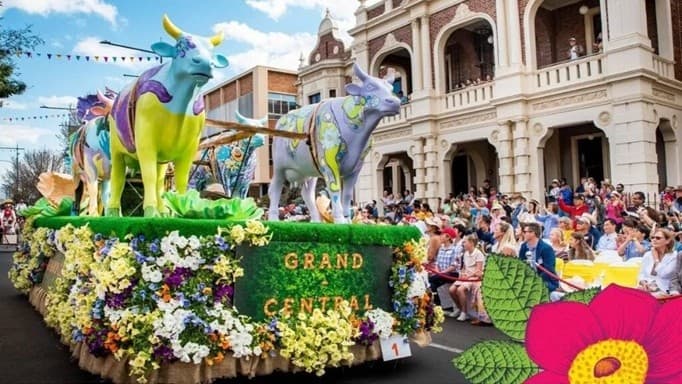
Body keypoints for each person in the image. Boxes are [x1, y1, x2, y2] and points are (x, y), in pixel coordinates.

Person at [449, 234, 486, 323]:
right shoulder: (465, 254)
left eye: (465, 242)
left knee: (460, 290)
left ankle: (464, 312)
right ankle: (459, 308)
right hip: (466, 277)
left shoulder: (478, 254)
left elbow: (478, 271)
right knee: (451, 289)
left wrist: (468, 276)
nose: (463, 244)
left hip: (473, 278)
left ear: (471, 243)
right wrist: (462, 273)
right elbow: (465, 267)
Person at [519, 222, 558, 291]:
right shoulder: (524, 246)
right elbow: (520, 264)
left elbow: (548, 270)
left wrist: (534, 280)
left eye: (525, 232)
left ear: (533, 233)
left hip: (545, 281)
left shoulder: (546, 248)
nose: (523, 234)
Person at [638, 228, 677, 296]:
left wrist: (656, 259)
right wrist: (643, 282)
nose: (654, 240)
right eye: (652, 237)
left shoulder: (674, 256)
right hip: (647, 287)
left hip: (664, 289)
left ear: (667, 241)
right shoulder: (648, 254)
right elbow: (641, 274)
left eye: (658, 238)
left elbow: (663, 274)